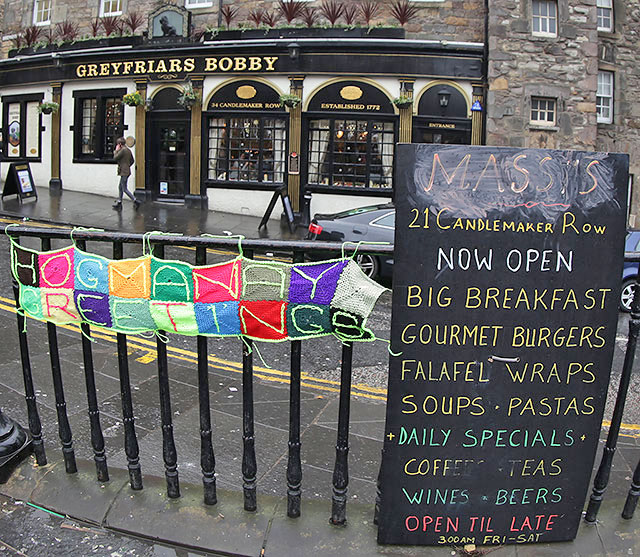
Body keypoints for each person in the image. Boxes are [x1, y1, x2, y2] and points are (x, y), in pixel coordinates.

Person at [112, 137, 140, 210]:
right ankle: (119, 202)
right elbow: (132, 160)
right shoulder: (128, 150)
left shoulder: (122, 150)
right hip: (126, 170)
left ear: (120, 144)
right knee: (120, 187)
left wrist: (116, 150)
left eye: (118, 144)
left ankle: (135, 200)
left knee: (124, 188)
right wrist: (127, 166)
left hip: (124, 171)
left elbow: (115, 158)